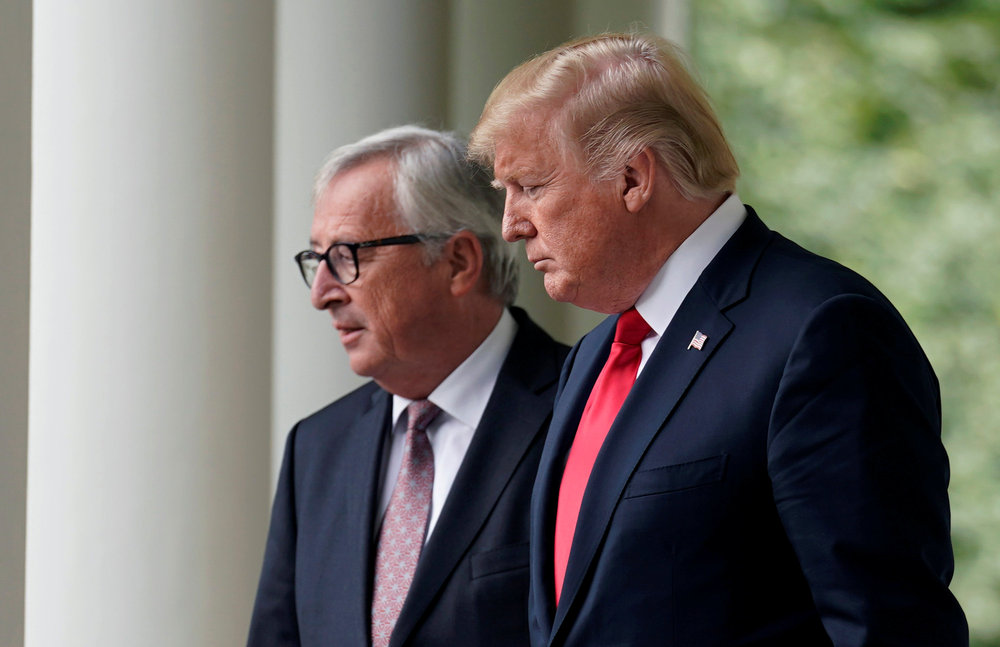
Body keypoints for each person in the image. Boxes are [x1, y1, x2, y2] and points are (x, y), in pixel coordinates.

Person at [469, 32, 968, 646]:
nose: (511, 226)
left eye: (532, 187)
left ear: (632, 177)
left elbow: (890, 628)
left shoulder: (825, 330)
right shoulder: (593, 358)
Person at [248, 125, 569, 647]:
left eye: (348, 256)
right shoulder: (317, 448)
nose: (322, 293)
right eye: (317, 260)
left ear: (458, 262)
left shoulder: (586, 413)